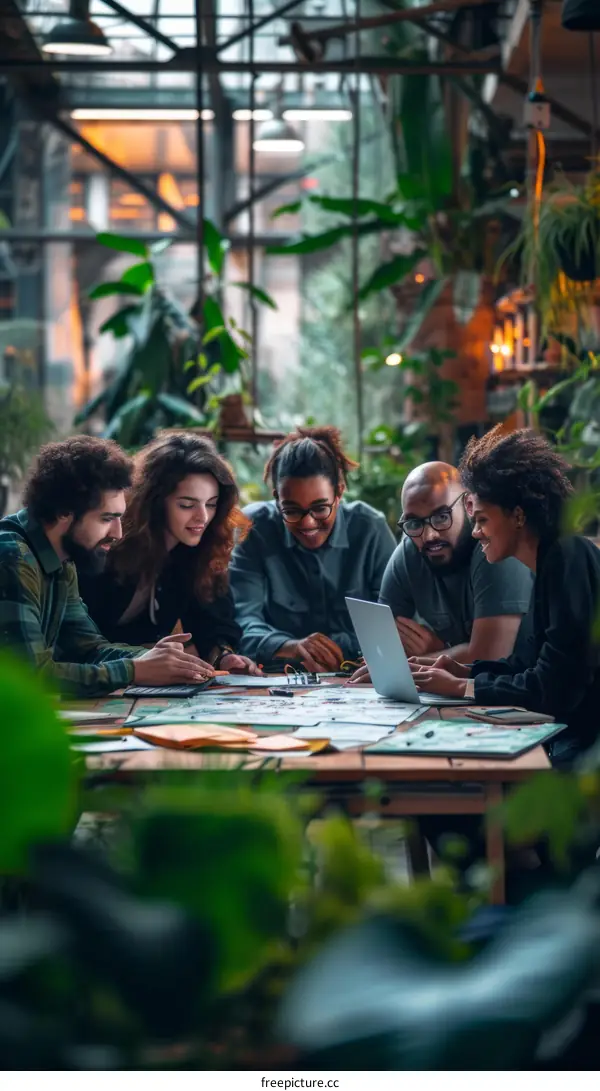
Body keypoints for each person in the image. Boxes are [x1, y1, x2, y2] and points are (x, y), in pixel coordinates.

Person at [411, 427, 600, 764]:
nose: (475, 532)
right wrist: (464, 672)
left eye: (482, 519)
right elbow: (526, 663)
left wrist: (459, 689)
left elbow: (553, 688)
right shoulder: (550, 563)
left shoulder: (567, 558)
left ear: (518, 515)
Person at [0, 436, 211, 698]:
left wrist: (155, 658)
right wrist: (134, 670)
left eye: (119, 518)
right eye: (106, 518)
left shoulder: (61, 560)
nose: (118, 533)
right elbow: (30, 677)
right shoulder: (11, 557)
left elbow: (88, 648)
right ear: (64, 511)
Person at [77, 432, 259, 675]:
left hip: (142, 689)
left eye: (211, 503)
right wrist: (145, 654)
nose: (202, 517)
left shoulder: (199, 551)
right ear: (155, 501)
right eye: (187, 505)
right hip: (91, 683)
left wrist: (223, 656)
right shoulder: (106, 544)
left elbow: (215, 624)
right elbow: (76, 642)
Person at [229, 426, 397, 671]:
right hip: (276, 678)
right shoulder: (254, 528)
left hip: (359, 674)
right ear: (276, 498)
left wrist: (336, 648)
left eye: (320, 508)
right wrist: (292, 647)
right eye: (292, 510)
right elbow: (240, 622)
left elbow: (393, 625)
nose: (307, 523)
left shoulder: (370, 529)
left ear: (339, 493)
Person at [350, 460, 533, 683]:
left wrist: (433, 653)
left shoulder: (494, 547)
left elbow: (489, 657)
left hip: (521, 691)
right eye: (415, 522)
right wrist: (446, 653)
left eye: (441, 517)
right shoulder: (410, 549)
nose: (429, 536)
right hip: (461, 696)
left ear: (468, 506)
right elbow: (380, 649)